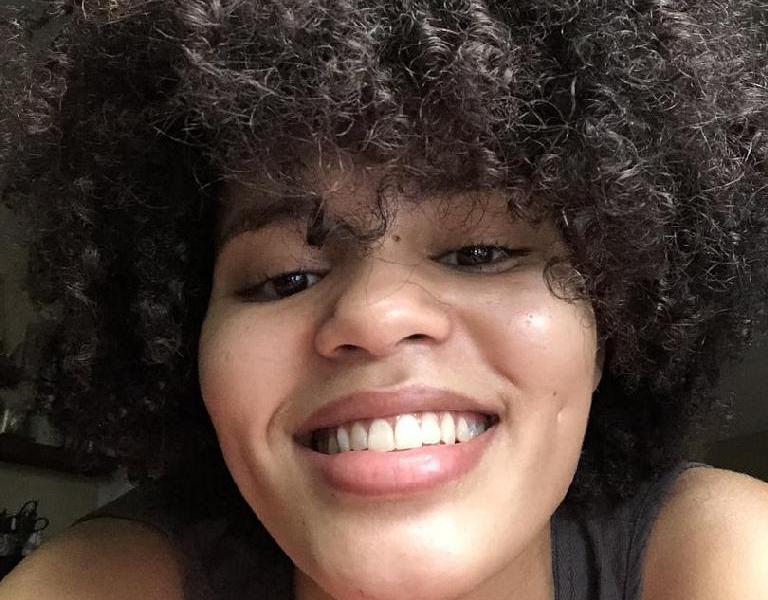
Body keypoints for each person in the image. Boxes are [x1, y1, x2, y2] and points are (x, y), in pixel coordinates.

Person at [1, 1, 767, 599]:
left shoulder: (723, 554)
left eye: (479, 252)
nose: (375, 317)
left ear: (611, 319)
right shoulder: (100, 583)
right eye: (285, 278)